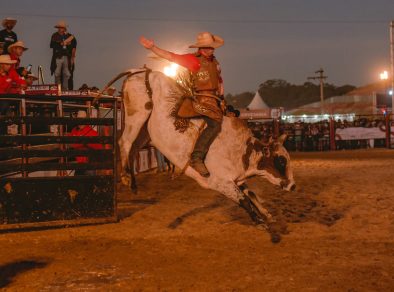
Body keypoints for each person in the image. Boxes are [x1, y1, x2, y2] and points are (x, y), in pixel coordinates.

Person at [139, 32, 225, 177]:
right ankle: (196, 158)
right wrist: (153, 47)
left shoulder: (215, 62)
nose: (211, 50)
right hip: (201, 100)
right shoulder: (193, 60)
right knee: (215, 124)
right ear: (201, 48)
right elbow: (171, 56)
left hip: (214, 100)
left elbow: (219, 80)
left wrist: (221, 95)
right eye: (208, 47)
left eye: (212, 47)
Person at [68, 110, 102, 175]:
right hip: (78, 164)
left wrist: (86, 143)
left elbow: (99, 147)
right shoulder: (74, 130)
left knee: (88, 182)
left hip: (89, 165)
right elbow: (69, 143)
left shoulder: (91, 132)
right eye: (78, 119)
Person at [50, 20, 77, 91]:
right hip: (58, 56)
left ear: (64, 28)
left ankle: (65, 90)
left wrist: (72, 58)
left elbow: (74, 47)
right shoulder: (54, 35)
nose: (60, 29)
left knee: (66, 74)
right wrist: (61, 43)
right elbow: (52, 45)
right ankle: (58, 89)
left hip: (67, 57)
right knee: (57, 73)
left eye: (61, 27)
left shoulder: (70, 36)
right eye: (59, 27)